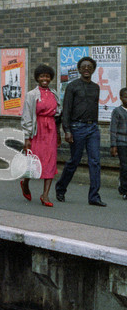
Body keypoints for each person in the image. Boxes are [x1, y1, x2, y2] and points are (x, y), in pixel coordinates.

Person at [56, 56, 106, 206]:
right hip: (76, 128)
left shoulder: (96, 87)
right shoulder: (72, 86)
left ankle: (94, 197)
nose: (86, 69)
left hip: (92, 129)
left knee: (95, 162)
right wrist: (67, 130)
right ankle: (61, 188)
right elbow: (66, 109)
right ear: (79, 69)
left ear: (93, 70)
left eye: (89, 67)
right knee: (74, 161)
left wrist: (94, 125)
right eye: (83, 66)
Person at [20, 64, 61, 206]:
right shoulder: (32, 95)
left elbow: (58, 114)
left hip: (51, 130)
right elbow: (26, 116)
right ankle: (25, 183)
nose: (45, 79)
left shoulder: (54, 93)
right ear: (37, 78)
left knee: (50, 161)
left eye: (47, 76)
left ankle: (45, 195)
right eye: (42, 76)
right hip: (37, 131)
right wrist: (27, 137)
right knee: (33, 162)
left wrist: (59, 133)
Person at [109, 87, 127, 200]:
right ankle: (125, 189)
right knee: (125, 166)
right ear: (121, 98)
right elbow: (113, 129)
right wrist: (113, 145)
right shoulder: (117, 111)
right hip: (121, 142)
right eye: (125, 97)